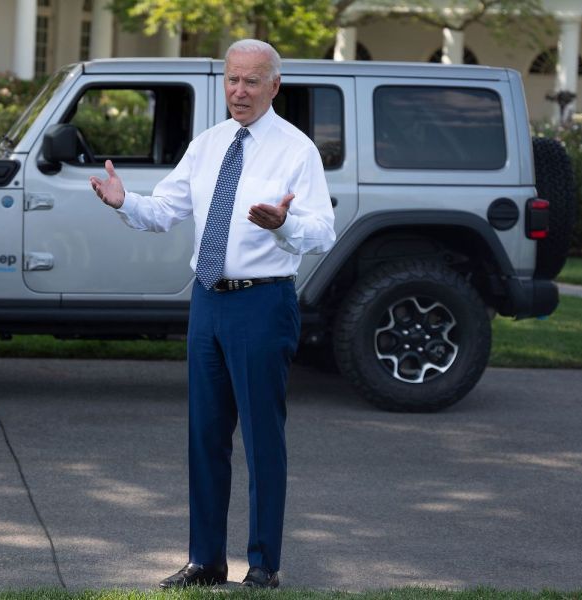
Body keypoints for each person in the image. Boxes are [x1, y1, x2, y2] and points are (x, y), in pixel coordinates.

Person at [89, 39, 335, 589]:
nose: (239, 91)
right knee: (205, 437)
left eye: (252, 81)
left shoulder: (296, 151)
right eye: (232, 80)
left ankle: (264, 566)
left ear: (275, 86)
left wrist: (284, 225)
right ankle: (206, 562)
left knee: (262, 439)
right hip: (208, 302)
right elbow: (164, 211)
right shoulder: (208, 145)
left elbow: (322, 230)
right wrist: (123, 201)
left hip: (262, 303)